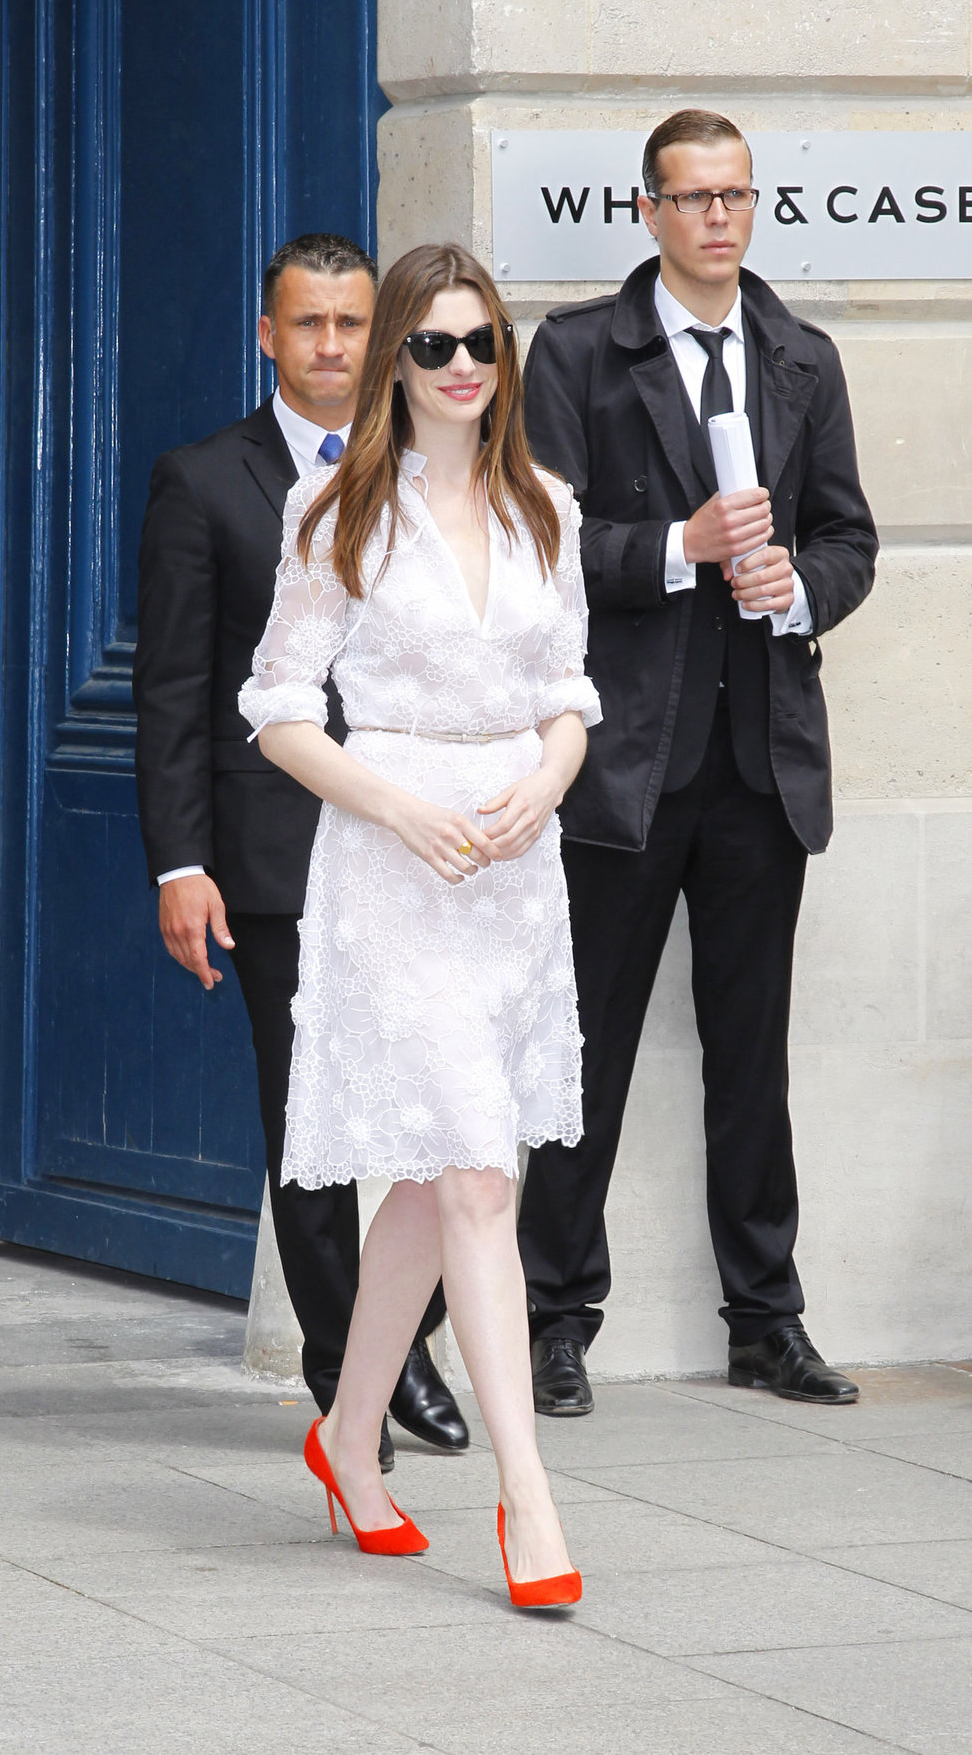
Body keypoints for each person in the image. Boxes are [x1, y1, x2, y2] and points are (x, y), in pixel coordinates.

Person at [238, 242, 600, 1605]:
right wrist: (392, 806)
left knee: (439, 1170)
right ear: (395, 358)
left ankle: (344, 1437)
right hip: (393, 860)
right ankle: (529, 1501)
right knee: (478, 1181)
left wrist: (547, 778)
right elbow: (275, 707)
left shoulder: (543, 509)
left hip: (513, 861)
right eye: (433, 346)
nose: (460, 368)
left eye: (480, 344)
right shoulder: (337, 509)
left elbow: (571, 689)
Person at [516, 109, 878, 1416]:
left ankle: (764, 1322)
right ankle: (555, 1319)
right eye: (694, 197)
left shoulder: (801, 357)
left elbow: (851, 537)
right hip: (621, 764)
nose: (718, 217)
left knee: (752, 1057)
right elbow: (537, 545)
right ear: (648, 212)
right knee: (582, 1055)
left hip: (759, 765)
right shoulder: (574, 354)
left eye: (736, 196)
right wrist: (679, 544)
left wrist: (794, 587)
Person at [133, 232, 467, 1470]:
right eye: (307, 325)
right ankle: (354, 1362)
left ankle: (403, 1323)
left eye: (349, 323)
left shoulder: (435, 461)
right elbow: (173, 687)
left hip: (413, 839)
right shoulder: (202, 479)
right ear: (267, 335)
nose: (331, 346)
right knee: (310, 1116)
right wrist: (181, 862)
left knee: (441, 1104)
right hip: (271, 856)